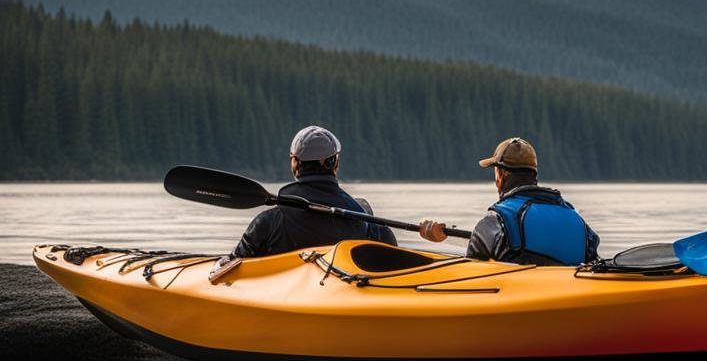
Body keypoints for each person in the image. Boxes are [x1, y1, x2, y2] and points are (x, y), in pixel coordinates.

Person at [419, 137, 599, 265]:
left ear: (501, 174)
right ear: (534, 175)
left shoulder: (494, 221)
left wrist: (435, 238)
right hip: (572, 304)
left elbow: (470, 273)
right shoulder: (576, 219)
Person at [231, 126, 396, 258]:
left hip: (288, 296)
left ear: (294, 164)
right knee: (363, 205)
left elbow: (232, 264)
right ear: (335, 165)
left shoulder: (267, 223)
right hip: (345, 295)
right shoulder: (370, 226)